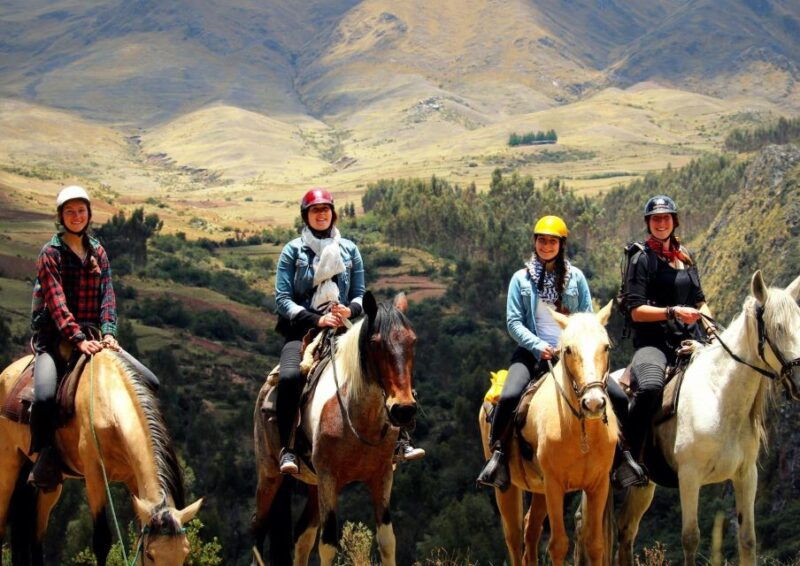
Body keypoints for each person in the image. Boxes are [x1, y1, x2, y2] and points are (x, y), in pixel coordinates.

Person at [274, 188, 424, 474]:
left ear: (333, 214)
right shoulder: (293, 251)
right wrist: (316, 319)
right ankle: (287, 448)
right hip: (303, 330)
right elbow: (282, 299)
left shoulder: (350, 249)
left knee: (387, 364)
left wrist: (349, 310)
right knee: (290, 377)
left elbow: (358, 293)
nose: (321, 215)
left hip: (344, 329)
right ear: (306, 216)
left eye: (325, 210)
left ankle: (401, 438)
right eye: (315, 210)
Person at [477, 215, 593, 490]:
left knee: (613, 395)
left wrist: (570, 346)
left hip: (571, 354)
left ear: (561, 245)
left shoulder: (576, 278)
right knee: (509, 397)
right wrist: (539, 346)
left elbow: (587, 316)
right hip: (531, 353)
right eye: (542, 240)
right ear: (535, 242)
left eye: (552, 241)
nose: (546, 246)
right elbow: (514, 323)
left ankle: (622, 456)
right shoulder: (520, 279)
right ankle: (498, 457)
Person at [610, 195, 715, 488]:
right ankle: (625, 456)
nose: (661, 223)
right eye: (655, 219)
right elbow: (636, 310)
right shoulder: (641, 258)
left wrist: (711, 329)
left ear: (674, 221)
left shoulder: (685, 256)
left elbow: (700, 301)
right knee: (650, 388)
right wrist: (672, 311)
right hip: (653, 344)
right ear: (648, 223)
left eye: (666, 218)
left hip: (691, 340)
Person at [29, 185, 119, 491]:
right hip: (55, 339)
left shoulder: (98, 252)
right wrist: (77, 338)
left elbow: (108, 295)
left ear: (89, 214)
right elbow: (56, 302)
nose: (76, 216)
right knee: (44, 396)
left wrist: (109, 332)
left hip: (95, 336)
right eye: (70, 211)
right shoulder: (50, 253)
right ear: (61, 216)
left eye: (81, 211)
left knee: (148, 381)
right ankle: (45, 455)